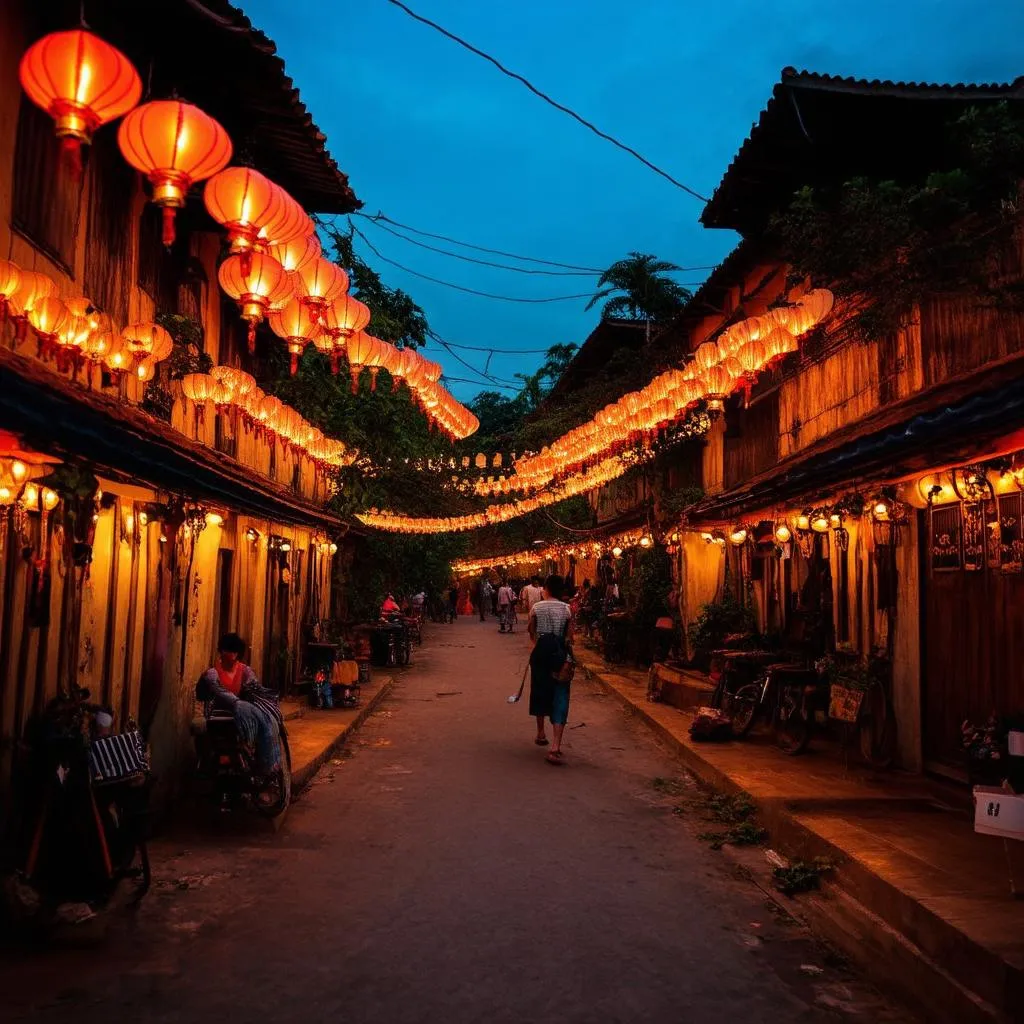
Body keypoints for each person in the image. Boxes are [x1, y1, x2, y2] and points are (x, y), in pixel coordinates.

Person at [195, 633, 281, 776]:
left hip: (242, 717)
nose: (233, 654)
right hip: (218, 719)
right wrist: (237, 702)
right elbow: (218, 690)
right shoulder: (212, 673)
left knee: (265, 725)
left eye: (235, 651)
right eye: (229, 650)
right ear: (222, 651)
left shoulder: (245, 671)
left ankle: (266, 768)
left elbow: (254, 688)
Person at [528, 574, 574, 766]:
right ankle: (555, 747)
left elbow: (532, 631)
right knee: (560, 695)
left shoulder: (536, 608)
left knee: (540, 690)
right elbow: (570, 636)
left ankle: (540, 733)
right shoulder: (567, 609)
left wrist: (538, 644)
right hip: (560, 656)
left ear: (545, 589)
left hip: (540, 655)